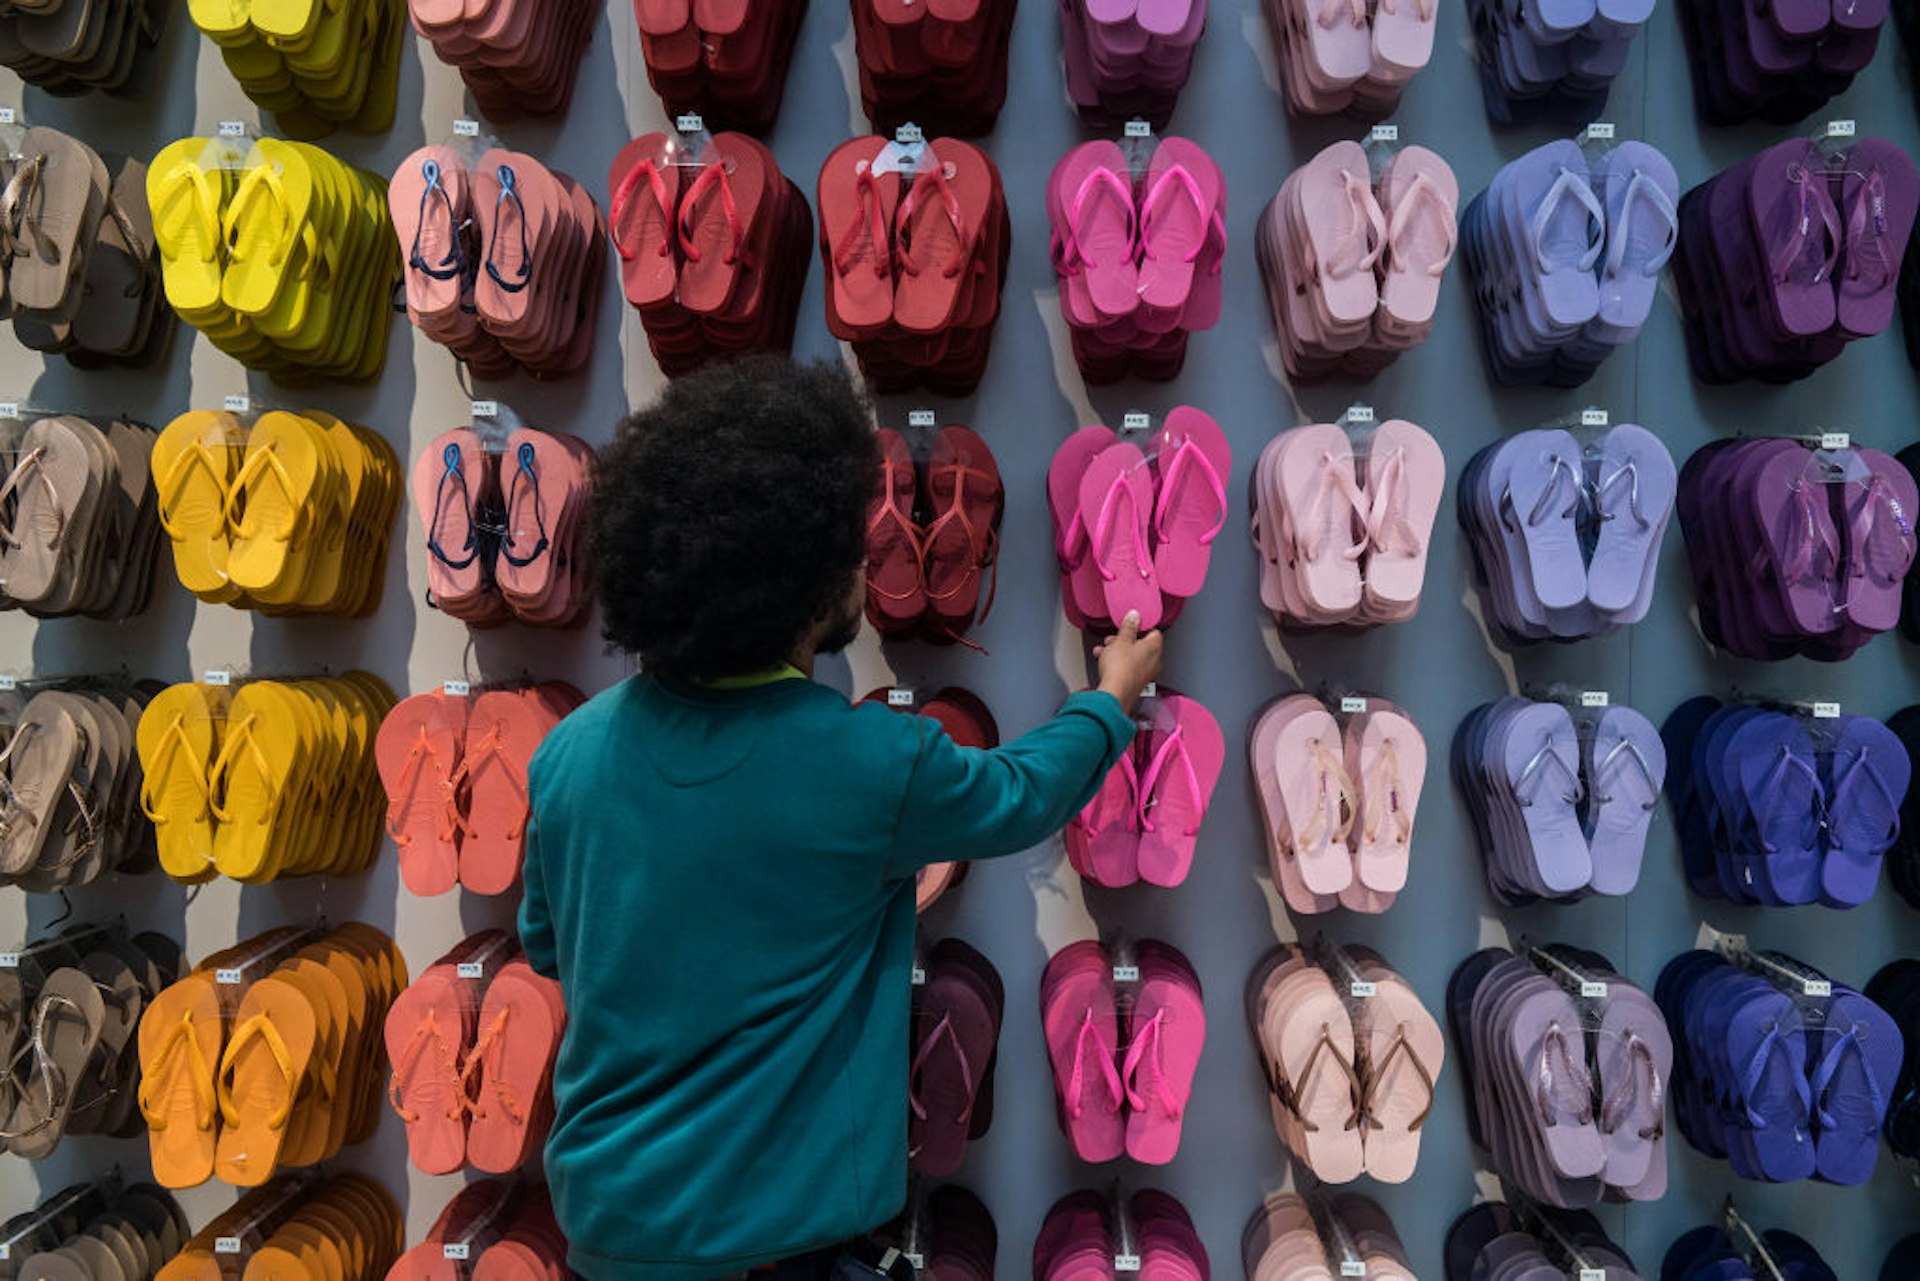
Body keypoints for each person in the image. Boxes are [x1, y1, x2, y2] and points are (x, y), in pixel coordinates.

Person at [517, 356, 1163, 1281]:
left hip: (607, 1237)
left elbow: (549, 948)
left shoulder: (565, 756)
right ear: (807, 584)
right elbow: (1021, 793)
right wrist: (1110, 698)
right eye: (849, 545)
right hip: (778, 1246)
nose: (870, 558)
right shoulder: (867, 763)